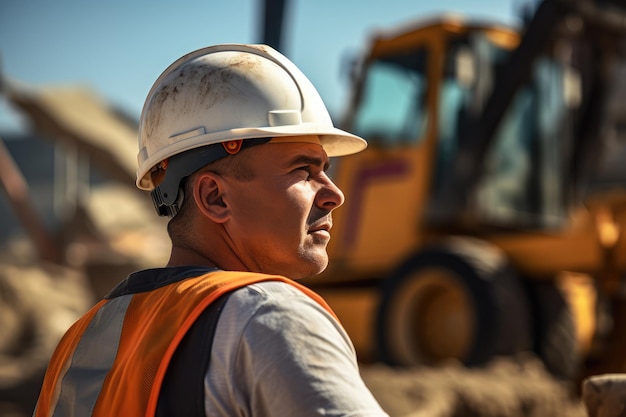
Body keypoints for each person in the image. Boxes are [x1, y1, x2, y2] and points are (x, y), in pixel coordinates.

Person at [33, 44, 389, 417]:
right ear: (215, 197)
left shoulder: (78, 343)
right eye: (303, 171)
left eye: (325, 171)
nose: (335, 194)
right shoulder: (269, 316)